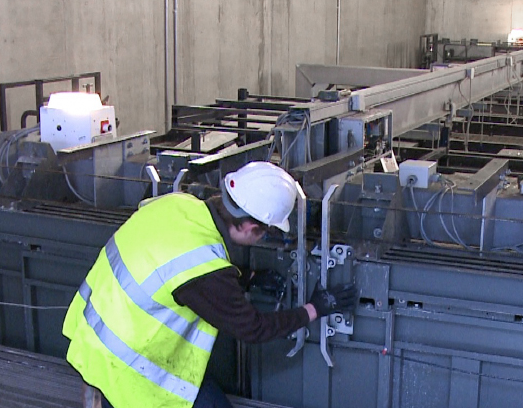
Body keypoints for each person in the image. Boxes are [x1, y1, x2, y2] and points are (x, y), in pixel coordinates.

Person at [62, 161, 358, 408]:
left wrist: (247, 277)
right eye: (264, 234)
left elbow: (173, 258)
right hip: (127, 368)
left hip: (92, 337)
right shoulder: (207, 271)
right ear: (251, 227)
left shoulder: (178, 203)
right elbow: (252, 328)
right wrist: (314, 308)